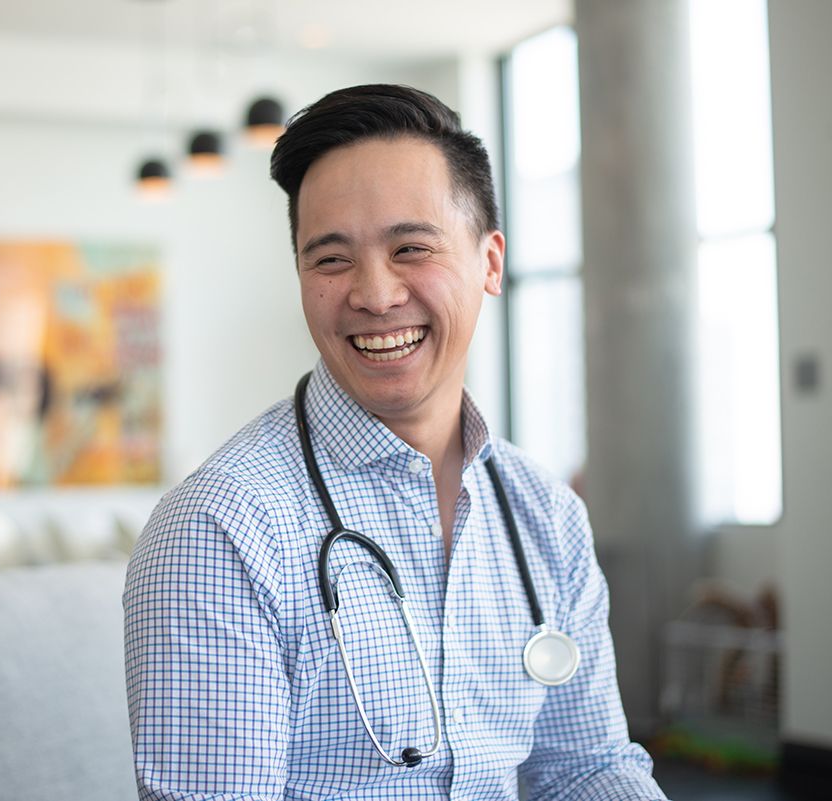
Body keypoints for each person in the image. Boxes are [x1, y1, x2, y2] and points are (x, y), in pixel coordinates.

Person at [124, 84, 667, 800]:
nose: (375, 294)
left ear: (490, 263)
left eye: (411, 247)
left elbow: (587, 766)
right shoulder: (220, 529)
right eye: (331, 259)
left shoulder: (548, 517)